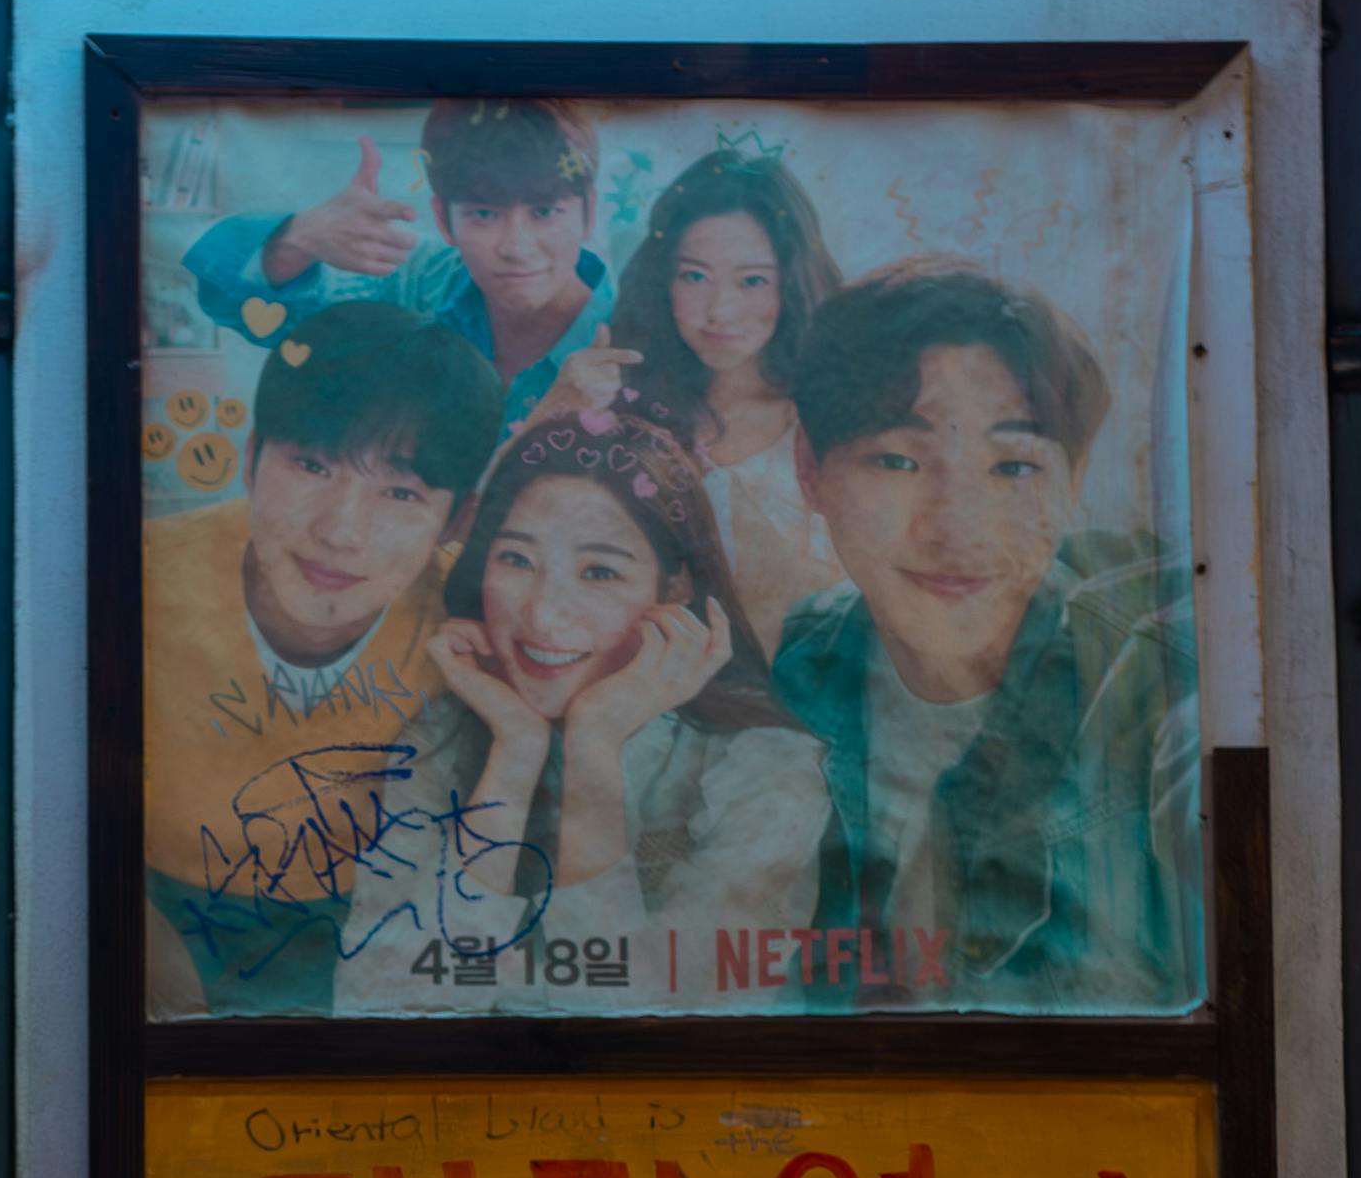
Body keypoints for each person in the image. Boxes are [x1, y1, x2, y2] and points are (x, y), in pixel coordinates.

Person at [773, 259, 1202, 1012]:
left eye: (1013, 466)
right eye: (899, 460)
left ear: (1073, 476)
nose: (957, 525)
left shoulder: (1152, 665)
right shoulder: (805, 667)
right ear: (810, 467)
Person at [339, 412, 829, 1012]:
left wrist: (593, 747)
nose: (543, 614)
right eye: (516, 560)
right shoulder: (440, 737)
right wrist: (514, 756)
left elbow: (657, 1031)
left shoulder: (766, 767)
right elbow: (380, 1007)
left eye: (599, 572)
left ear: (673, 590)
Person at [144, 299, 511, 1014]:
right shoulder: (140, 584)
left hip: (384, 948)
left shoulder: (480, 622)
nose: (342, 532)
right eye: (312, 465)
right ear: (250, 461)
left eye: (401, 491)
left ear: (457, 518)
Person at [542, 142, 843, 655]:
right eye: (694, 276)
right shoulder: (619, 407)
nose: (719, 312)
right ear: (664, 279)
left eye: (752, 281)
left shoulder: (836, 418)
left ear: (791, 284)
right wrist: (554, 415)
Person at [181, 98, 613, 431]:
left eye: (544, 212)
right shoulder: (418, 282)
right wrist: (300, 238)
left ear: (588, 214)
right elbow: (227, 296)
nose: (516, 247)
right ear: (444, 219)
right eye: (484, 214)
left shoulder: (648, 332)